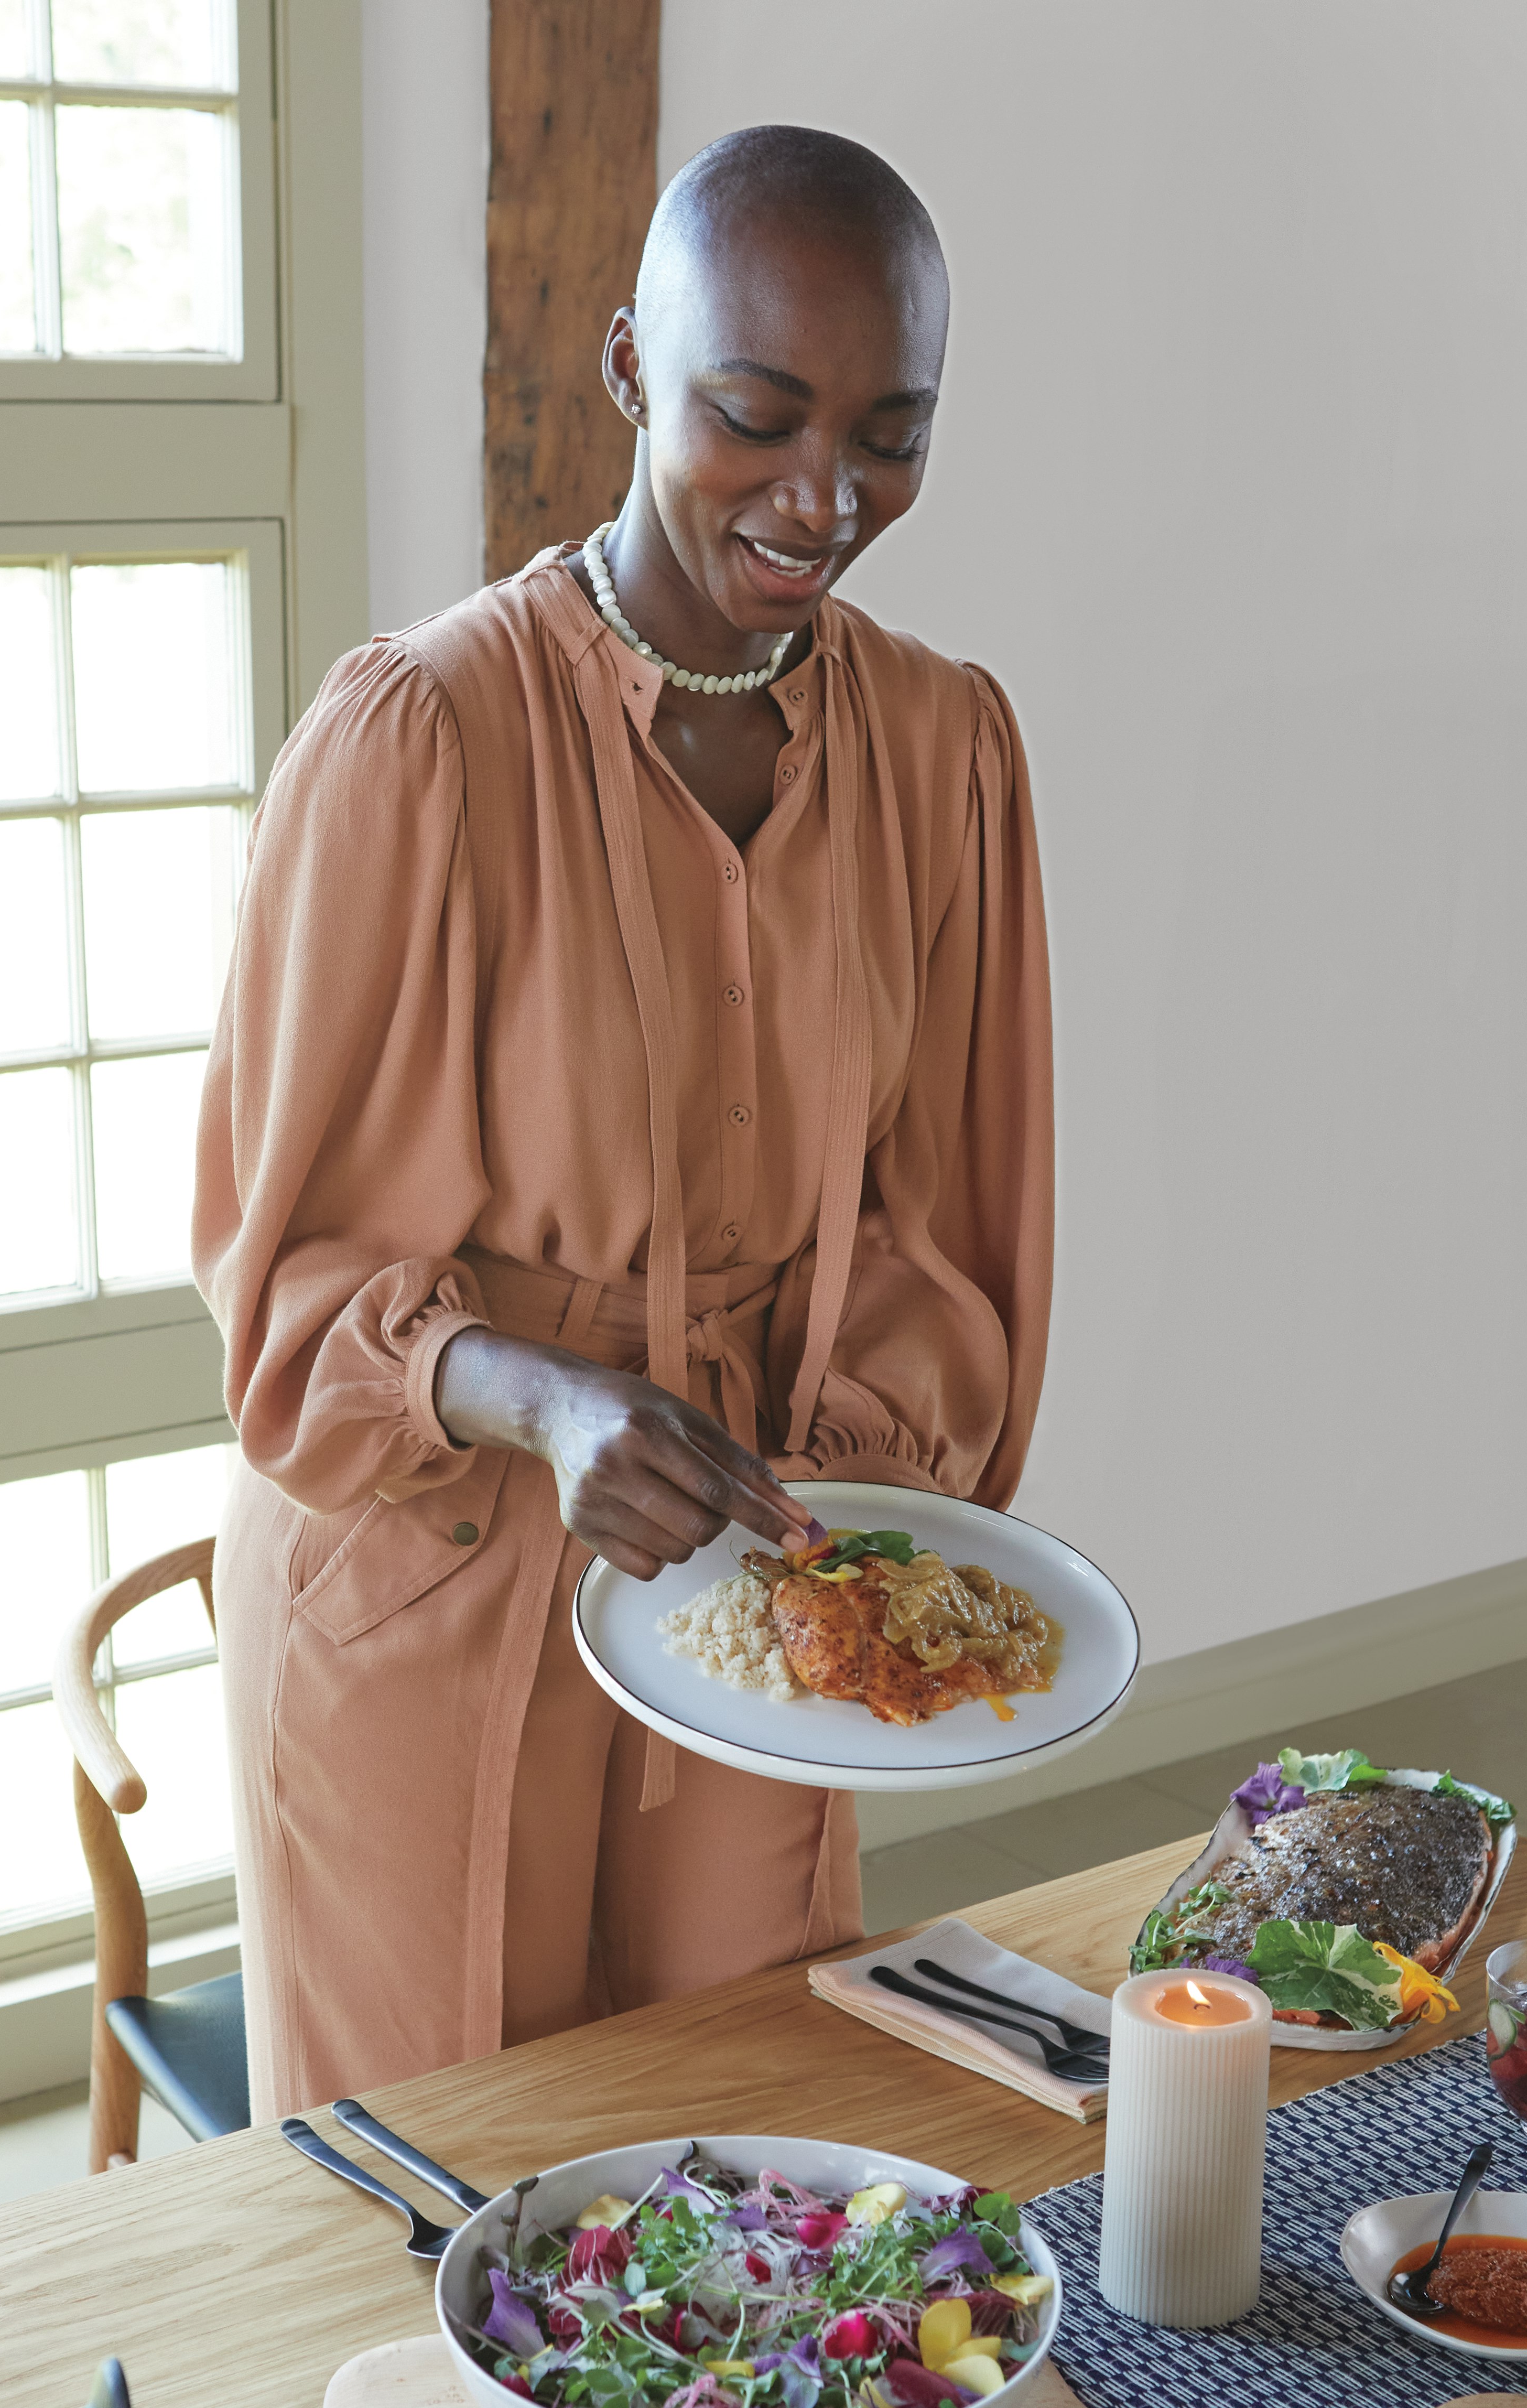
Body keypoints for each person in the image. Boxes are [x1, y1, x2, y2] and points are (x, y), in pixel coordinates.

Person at [195, 123, 1054, 2116]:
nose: (827, 495)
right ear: (623, 371)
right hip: (427, 1548)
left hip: (754, 1557)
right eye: (756, 414)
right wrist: (549, 1397)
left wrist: (844, 1505)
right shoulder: (419, 741)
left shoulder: (945, 751)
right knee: (443, 2199)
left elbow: (952, 1233)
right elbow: (284, 1286)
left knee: (757, 2146)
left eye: (893, 434)